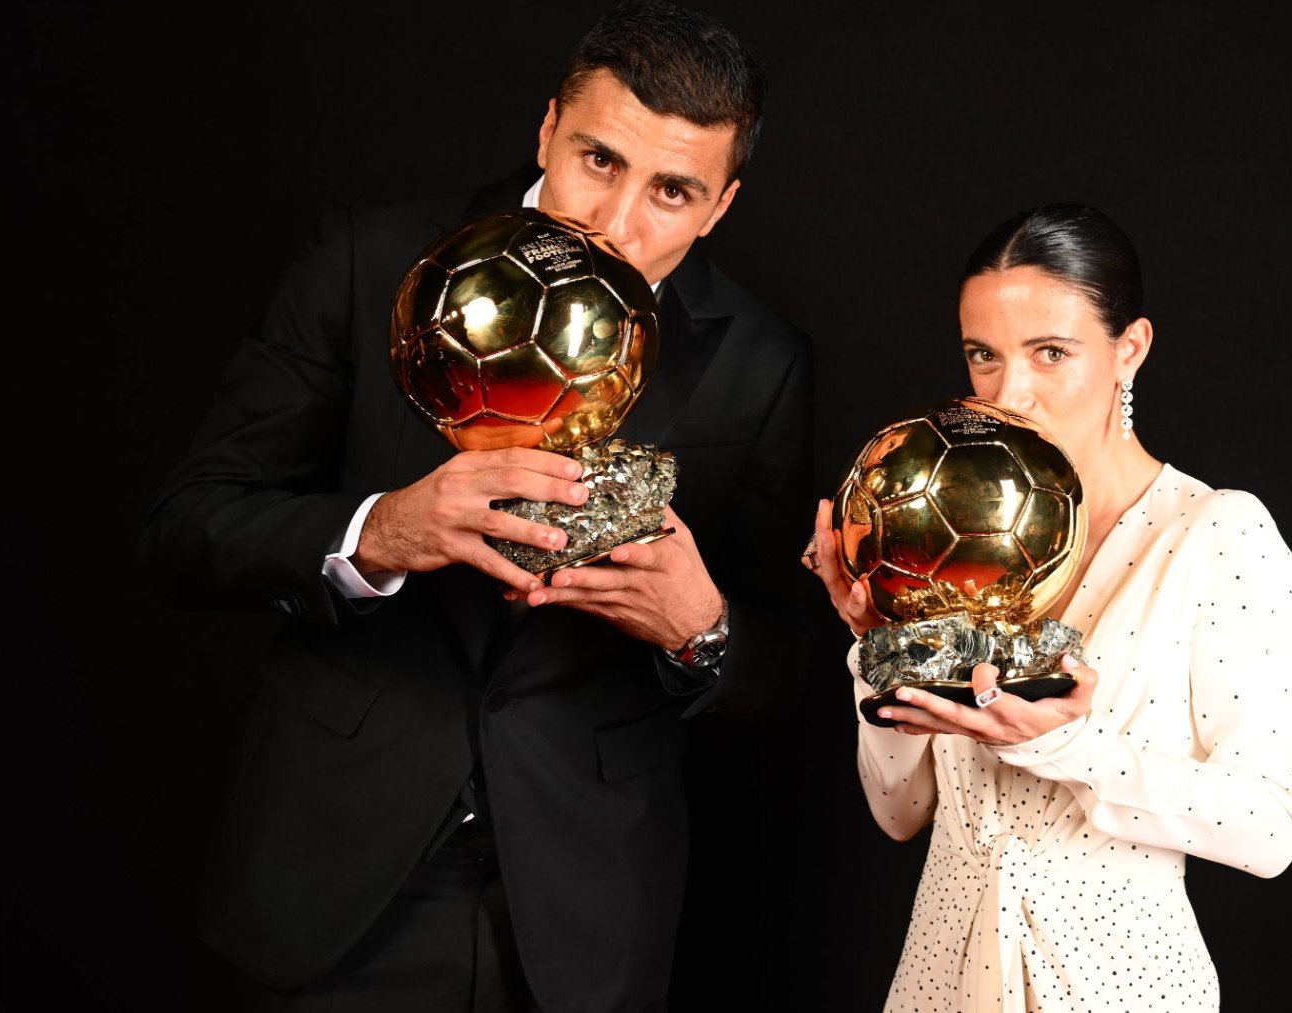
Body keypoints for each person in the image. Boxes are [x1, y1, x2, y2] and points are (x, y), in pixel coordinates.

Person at [139, 3, 813, 1010]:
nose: (615, 222)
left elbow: (787, 663)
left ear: (719, 206)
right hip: (334, 877)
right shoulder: (373, 261)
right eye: (598, 159)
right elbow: (188, 530)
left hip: (585, 909)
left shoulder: (762, 358)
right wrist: (381, 531)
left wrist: (702, 630)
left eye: (672, 191)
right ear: (546, 129)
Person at [804, 204, 1292, 1012]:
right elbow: (900, 812)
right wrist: (876, 647)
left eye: (1050, 353)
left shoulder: (1214, 533)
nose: (1013, 395)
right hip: (939, 982)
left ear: (1129, 350)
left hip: (1120, 989)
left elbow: (1268, 826)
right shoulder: (951, 538)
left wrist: (1068, 745)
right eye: (985, 356)